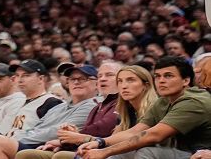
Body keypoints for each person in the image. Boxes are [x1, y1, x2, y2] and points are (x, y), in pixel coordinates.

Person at [76, 57, 211, 159]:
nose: (161, 81)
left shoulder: (193, 101)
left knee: (147, 151)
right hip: (184, 151)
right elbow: (135, 131)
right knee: (120, 155)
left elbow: (154, 135)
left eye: (168, 76)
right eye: (157, 76)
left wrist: (103, 151)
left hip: (200, 153)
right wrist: (100, 142)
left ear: (186, 81)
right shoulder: (164, 101)